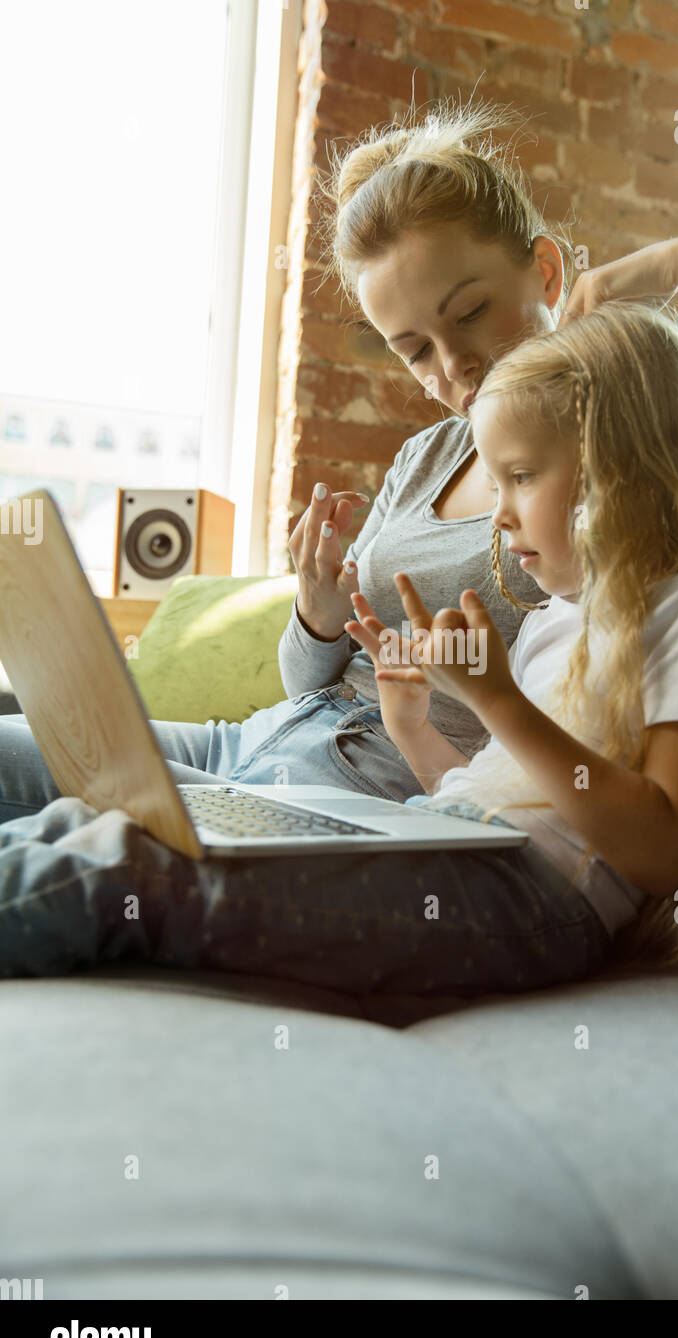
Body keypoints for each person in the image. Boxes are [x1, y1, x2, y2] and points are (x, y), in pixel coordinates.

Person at [1, 232, 678, 990]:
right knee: (86, 817)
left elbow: (664, 849)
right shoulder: (568, 607)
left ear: (621, 466)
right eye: (411, 346)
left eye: (521, 478)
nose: (500, 509)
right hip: (455, 842)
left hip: (532, 905)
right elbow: (494, 793)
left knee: (124, 869)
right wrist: (412, 721)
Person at [0, 96, 561, 823]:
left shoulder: (608, 451)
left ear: (546, 271)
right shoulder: (427, 456)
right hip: (255, 741)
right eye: (415, 350)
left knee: (63, 842)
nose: (450, 365)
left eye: (470, 313)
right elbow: (303, 684)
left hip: (354, 786)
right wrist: (319, 614)